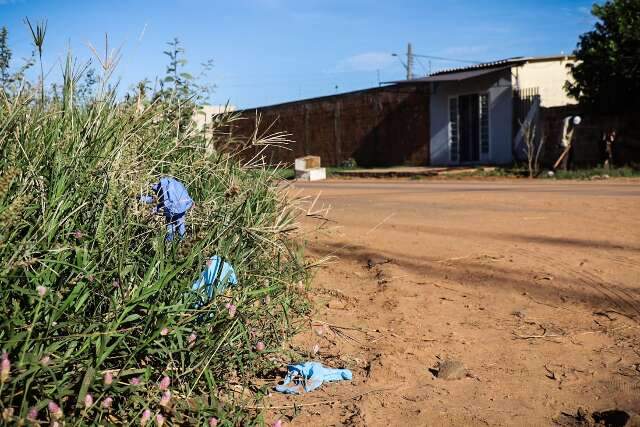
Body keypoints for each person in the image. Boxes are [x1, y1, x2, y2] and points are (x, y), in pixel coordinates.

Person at [140, 177, 193, 241]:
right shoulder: (174, 186)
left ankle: (175, 242)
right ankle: (179, 241)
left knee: (174, 227)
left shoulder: (165, 192)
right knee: (179, 227)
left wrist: (153, 209)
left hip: (175, 211)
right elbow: (155, 200)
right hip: (180, 209)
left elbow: (156, 201)